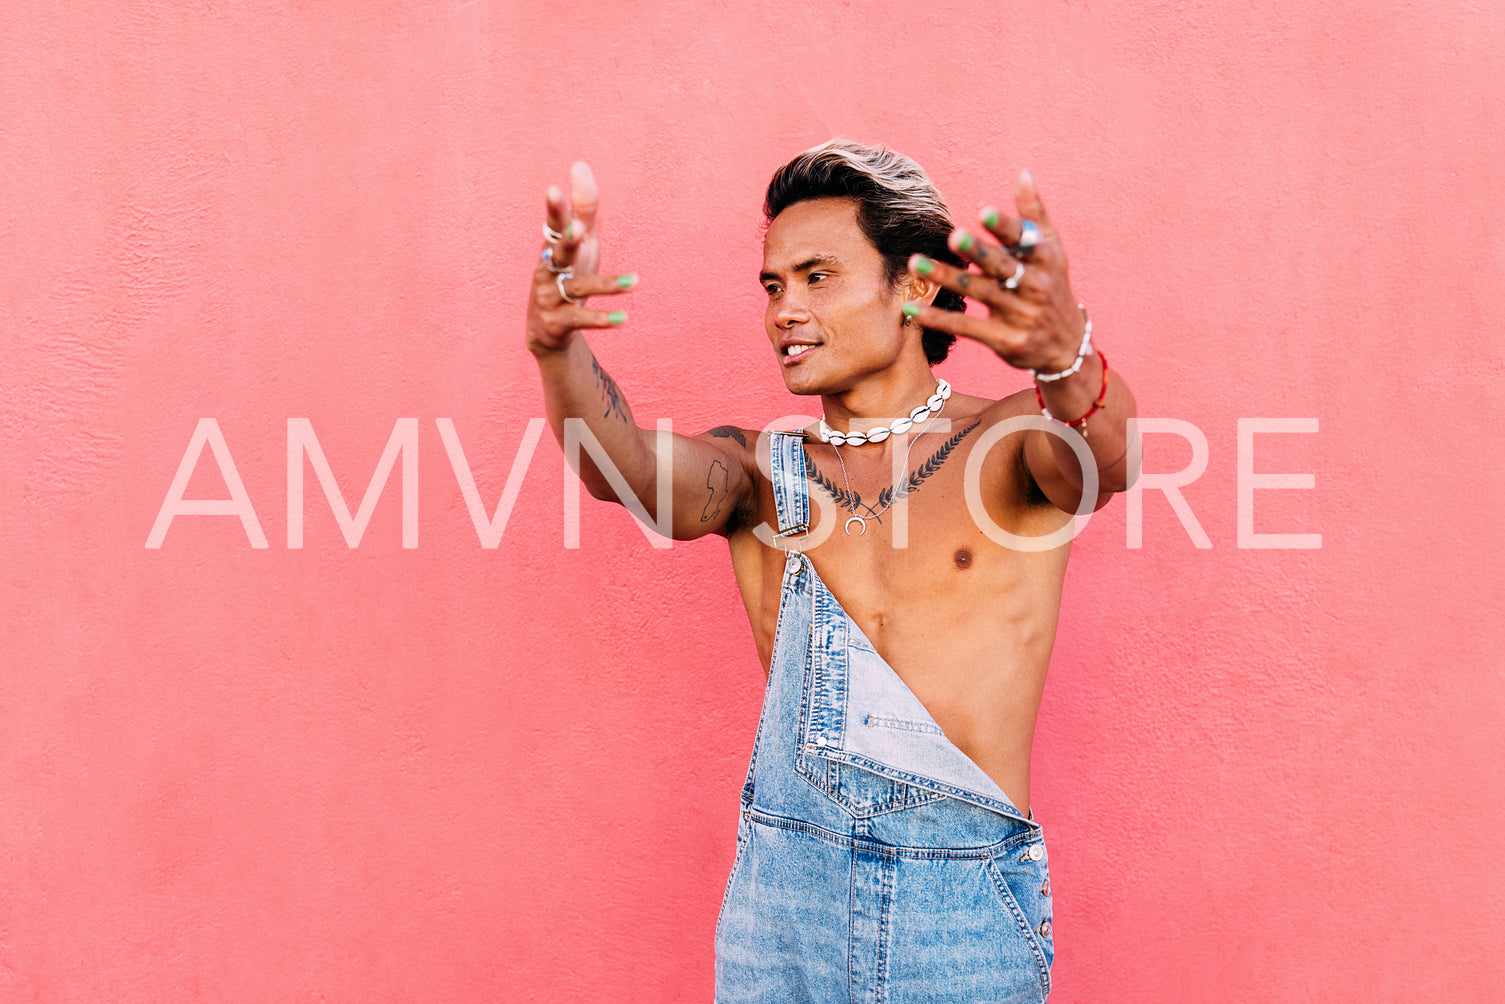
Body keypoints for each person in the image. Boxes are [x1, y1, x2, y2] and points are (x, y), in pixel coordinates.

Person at [524, 140, 1138, 1003]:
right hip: (784, 908)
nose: (785, 310)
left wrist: (1066, 357)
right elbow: (614, 465)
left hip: (957, 906)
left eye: (818, 276)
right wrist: (556, 349)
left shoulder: (1007, 444)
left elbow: (1105, 463)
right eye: (774, 285)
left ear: (916, 287)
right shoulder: (757, 476)